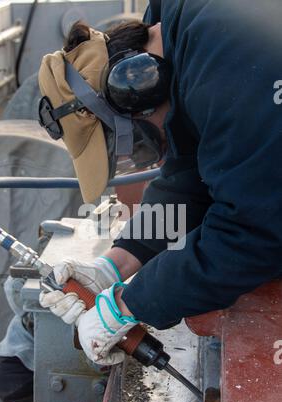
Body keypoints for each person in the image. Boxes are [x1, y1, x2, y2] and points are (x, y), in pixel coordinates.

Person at [39, 0, 282, 366]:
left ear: (138, 86)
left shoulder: (231, 54)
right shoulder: (173, 31)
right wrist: (114, 266)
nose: (149, 156)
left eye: (138, 143)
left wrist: (127, 305)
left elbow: (252, 230)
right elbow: (189, 177)